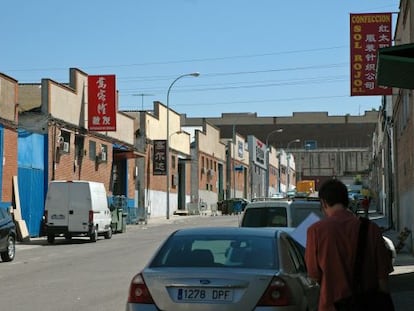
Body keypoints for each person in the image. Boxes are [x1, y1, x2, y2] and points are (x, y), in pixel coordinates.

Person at [305, 179, 393, 311]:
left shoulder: (315, 231)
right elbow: (383, 278)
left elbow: (313, 275)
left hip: (332, 305)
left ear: (323, 203)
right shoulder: (371, 229)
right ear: (346, 200)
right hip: (367, 305)